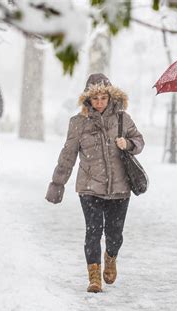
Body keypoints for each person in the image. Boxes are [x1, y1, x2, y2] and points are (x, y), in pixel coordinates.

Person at [45, 73, 144, 293]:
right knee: (93, 231)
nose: (99, 102)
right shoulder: (78, 123)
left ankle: (111, 256)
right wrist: (57, 183)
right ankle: (94, 277)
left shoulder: (122, 119)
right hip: (89, 187)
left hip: (119, 189)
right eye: (95, 98)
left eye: (103, 98)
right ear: (88, 99)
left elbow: (139, 141)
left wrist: (127, 143)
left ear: (110, 97)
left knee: (114, 234)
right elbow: (68, 155)